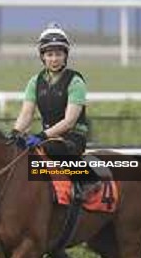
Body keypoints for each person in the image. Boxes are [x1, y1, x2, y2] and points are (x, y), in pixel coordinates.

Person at [7, 23, 100, 200]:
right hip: (49, 137)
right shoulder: (35, 81)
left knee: (49, 148)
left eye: (58, 54)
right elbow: (26, 114)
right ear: (42, 57)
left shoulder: (75, 81)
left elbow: (69, 122)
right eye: (49, 54)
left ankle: (88, 180)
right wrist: (15, 133)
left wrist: (42, 136)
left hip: (72, 137)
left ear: (65, 56)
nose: (54, 59)